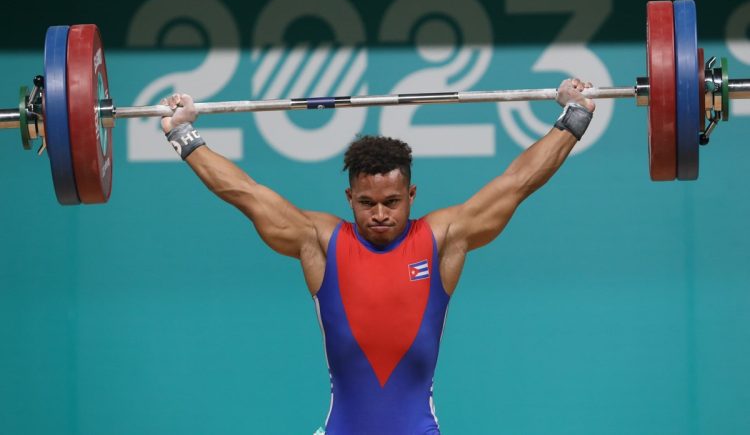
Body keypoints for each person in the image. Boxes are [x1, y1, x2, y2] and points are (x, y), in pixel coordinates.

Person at [159, 78, 595, 434]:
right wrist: (183, 133)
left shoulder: (443, 238)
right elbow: (246, 195)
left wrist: (573, 117)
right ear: (349, 197)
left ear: (412, 195)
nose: (381, 214)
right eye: (367, 203)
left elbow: (516, 182)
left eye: (392, 201)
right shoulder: (321, 242)